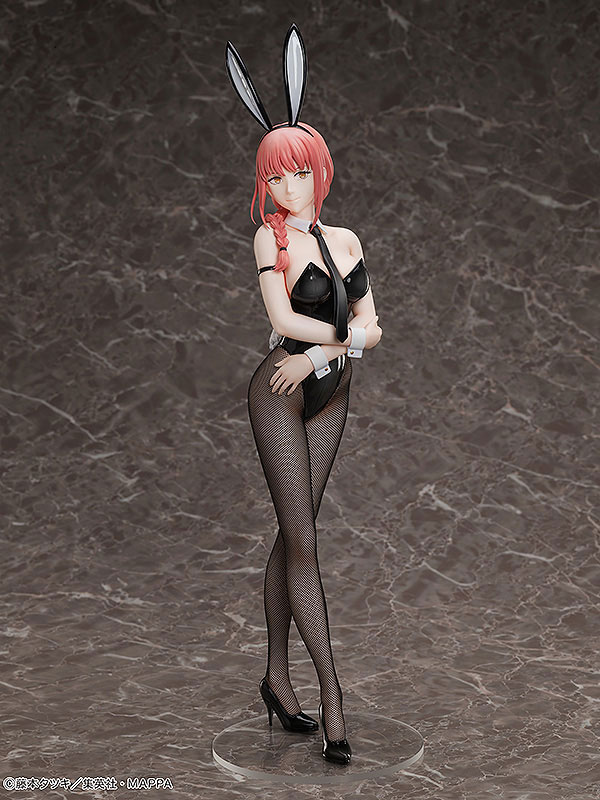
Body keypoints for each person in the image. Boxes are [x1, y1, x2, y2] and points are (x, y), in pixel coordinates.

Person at [226, 24, 382, 766]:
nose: (292, 188)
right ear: (266, 185)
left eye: (301, 173)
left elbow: (375, 326)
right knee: (304, 541)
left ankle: (275, 679)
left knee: (296, 536)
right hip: (280, 389)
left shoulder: (346, 240)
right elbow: (282, 321)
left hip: (330, 388)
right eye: (278, 178)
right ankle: (333, 697)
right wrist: (335, 341)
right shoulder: (271, 242)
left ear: (321, 169)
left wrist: (331, 350)